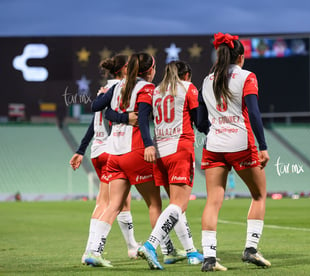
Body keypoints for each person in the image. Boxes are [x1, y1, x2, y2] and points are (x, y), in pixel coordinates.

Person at [197, 32, 271, 271]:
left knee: (213, 201)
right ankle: (250, 249)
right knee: (259, 195)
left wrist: (216, 128)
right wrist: (263, 146)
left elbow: (200, 122)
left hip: (213, 145)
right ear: (241, 57)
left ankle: (209, 258)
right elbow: (254, 113)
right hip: (241, 144)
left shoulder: (207, 80)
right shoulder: (247, 77)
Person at [83, 52, 163, 267]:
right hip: (135, 151)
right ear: (150, 70)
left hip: (114, 154)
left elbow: (97, 108)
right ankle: (155, 249)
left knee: (113, 205)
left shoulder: (117, 86)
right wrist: (148, 145)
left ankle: (95, 252)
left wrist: (120, 117)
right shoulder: (146, 88)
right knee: (155, 203)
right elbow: (143, 121)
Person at [69, 54, 141, 264]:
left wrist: (81, 150)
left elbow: (95, 121)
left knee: (111, 202)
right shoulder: (124, 89)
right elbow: (113, 118)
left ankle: (121, 247)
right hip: (113, 150)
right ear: (126, 68)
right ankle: (100, 250)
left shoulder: (104, 89)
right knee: (115, 204)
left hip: (97, 151)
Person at [137, 61, 204, 270]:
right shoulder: (188, 88)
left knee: (176, 206)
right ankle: (151, 244)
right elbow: (200, 122)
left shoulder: (155, 91)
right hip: (180, 149)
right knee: (179, 205)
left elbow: (142, 118)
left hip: (160, 152)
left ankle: (191, 251)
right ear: (186, 75)